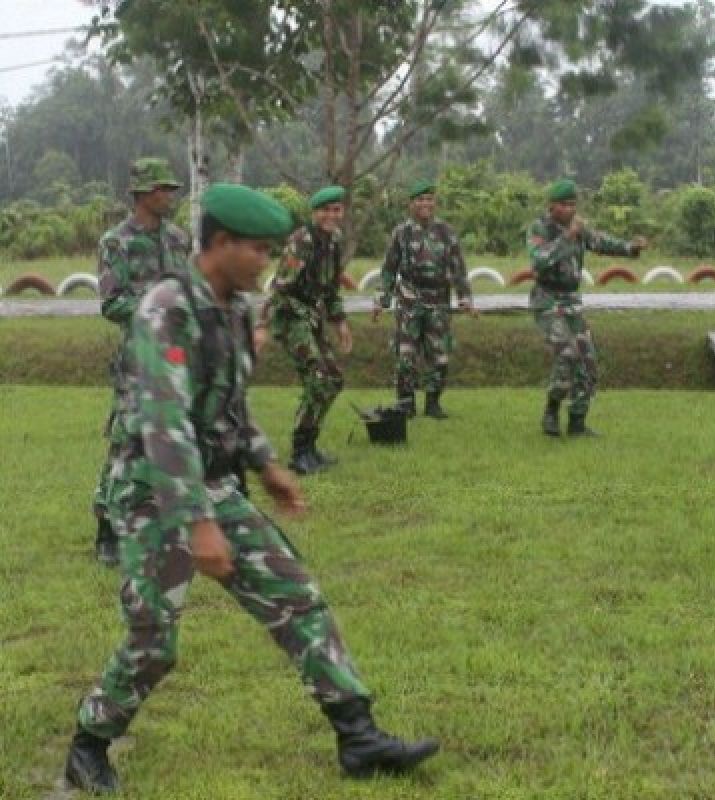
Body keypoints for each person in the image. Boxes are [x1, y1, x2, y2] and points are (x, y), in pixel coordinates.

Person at [63, 184, 438, 795]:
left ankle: (358, 736)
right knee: (155, 640)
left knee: (297, 596)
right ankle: (90, 742)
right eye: (256, 250)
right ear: (220, 244)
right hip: (153, 492)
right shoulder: (165, 308)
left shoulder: (235, 308)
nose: (265, 261)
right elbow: (166, 425)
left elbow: (228, 407)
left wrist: (267, 466)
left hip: (211, 483)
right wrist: (198, 522)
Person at [91, 157, 190, 566]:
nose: (170, 196)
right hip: (138, 358)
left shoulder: (180, 239)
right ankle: (108, 528)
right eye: (164, 190)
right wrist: (158, 308)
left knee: (171, 436)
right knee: (126, 443)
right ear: (145, 194)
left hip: (176, 356)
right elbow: (112, 304)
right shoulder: (116, 242)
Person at [527, 179, 646, 437]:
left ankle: (577, 422)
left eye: (573, 205)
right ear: (552, 207)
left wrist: (630, 248)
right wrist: (567, 237)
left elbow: (601, 242)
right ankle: (551, 410)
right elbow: (540, 260)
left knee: (587, 359)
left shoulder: (579, 228)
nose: (570, 210)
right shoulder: (540, 228)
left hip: (570, 301)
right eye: (564, 205)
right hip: (547, 301)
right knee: (567, 354)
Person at [256, 186, 351, 475]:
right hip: (290, 316)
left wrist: (340, 322)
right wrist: (262, 325)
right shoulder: (302, 241)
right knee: (318, 377)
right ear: (315, 213)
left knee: (333, 379)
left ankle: (310, 448)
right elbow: (279, 287)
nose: (331, 215)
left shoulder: (333, 241)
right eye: (325, 210)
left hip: (311, 317)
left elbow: (331, 288)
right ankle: (299, 454)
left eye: (336, 210)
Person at [372, 179, 476, 419]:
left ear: (435, 202)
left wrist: (465, 297)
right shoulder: (401, 232)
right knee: (405, 356)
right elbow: (389, 268)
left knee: (439, 356)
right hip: (410, 300)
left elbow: (458, 267)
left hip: (438, 301)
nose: (425, 204)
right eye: (420, 200)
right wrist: (381, 299)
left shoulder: (446, 232)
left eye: (429, 199)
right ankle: (406, 404)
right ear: (411, 204)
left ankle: (433, 403)